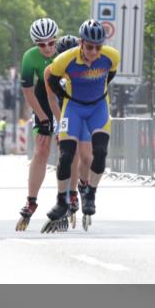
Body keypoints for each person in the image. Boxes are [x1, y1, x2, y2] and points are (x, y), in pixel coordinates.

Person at [41, 20, 119, 230]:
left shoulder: (111, 56)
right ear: (81, 43)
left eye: (98, 47)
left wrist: (95, 91)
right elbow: (52, 84)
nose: (94, 51)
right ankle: (61, 201)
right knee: (66, 155)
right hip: (73, 108)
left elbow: (110, 75)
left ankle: (90, 194)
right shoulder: (63, 61)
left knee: (100, 152)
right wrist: (65, 98)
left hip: (98, 107)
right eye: (90, 46)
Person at [15, 17, 60, 230]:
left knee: (69, 149)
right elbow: (27, 91)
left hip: (65, 100)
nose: (47, 48)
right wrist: (42, 117)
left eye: (51, 43)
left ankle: (71, 195)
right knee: (41, 150)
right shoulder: (29, 57)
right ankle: (31, 201)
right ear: (35, 44)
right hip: (42, 100)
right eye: (41, 44)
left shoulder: (65, 52)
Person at [52, 34, 93, 222]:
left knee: (86, 157)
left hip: (84, 116)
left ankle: (83, 186)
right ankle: (69, 194)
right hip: (64, 117)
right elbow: (52, 100)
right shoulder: (56, 72)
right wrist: (59, 123)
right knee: (68, 156)